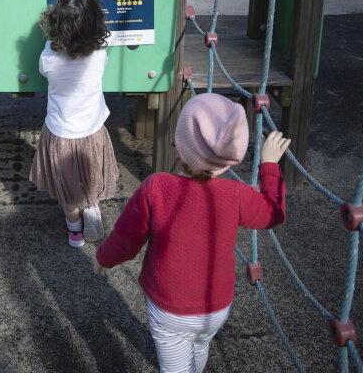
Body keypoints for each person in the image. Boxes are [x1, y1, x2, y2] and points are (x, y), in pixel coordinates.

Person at [93, 93, 290, 373]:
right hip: (216, 307)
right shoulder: (236, 194)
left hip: (170, 308)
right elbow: (274, 212)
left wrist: (103, 257)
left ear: (180, 143)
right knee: (199, 345)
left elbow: (127, 239)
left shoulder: (156, 187)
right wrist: (269, 165)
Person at [29, 0, 120, 247]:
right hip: (92, 131)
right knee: (92, 176)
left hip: (60, 135)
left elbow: (45, 68)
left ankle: (75, 233)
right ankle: (92, 206)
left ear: (57, 24)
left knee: (69, 195)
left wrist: (48, 38)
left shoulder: (48, 57)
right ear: (95, 25)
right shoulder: (99, 56)